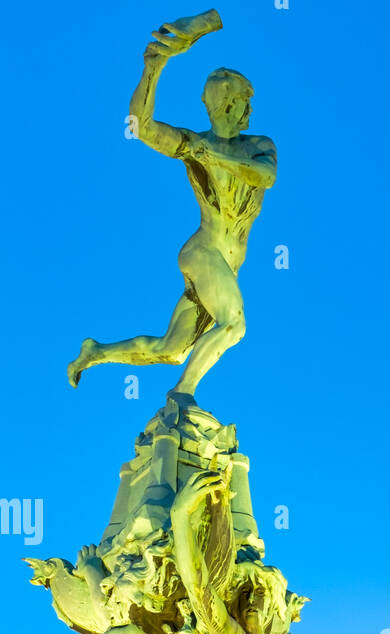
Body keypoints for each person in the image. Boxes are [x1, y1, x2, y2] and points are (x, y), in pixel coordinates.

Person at [68, 12, 276, 398]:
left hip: (223, 266)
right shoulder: (192, 144)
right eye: (244, 102)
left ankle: (95, 352)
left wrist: (210, 153)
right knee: (234, 325)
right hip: (203, 253)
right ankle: (181, 397)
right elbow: (141, 127)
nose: (249, 111)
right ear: (228, 104)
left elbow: (263, 175)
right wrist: (154, 67)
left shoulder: (257, 146)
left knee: (172, 350)